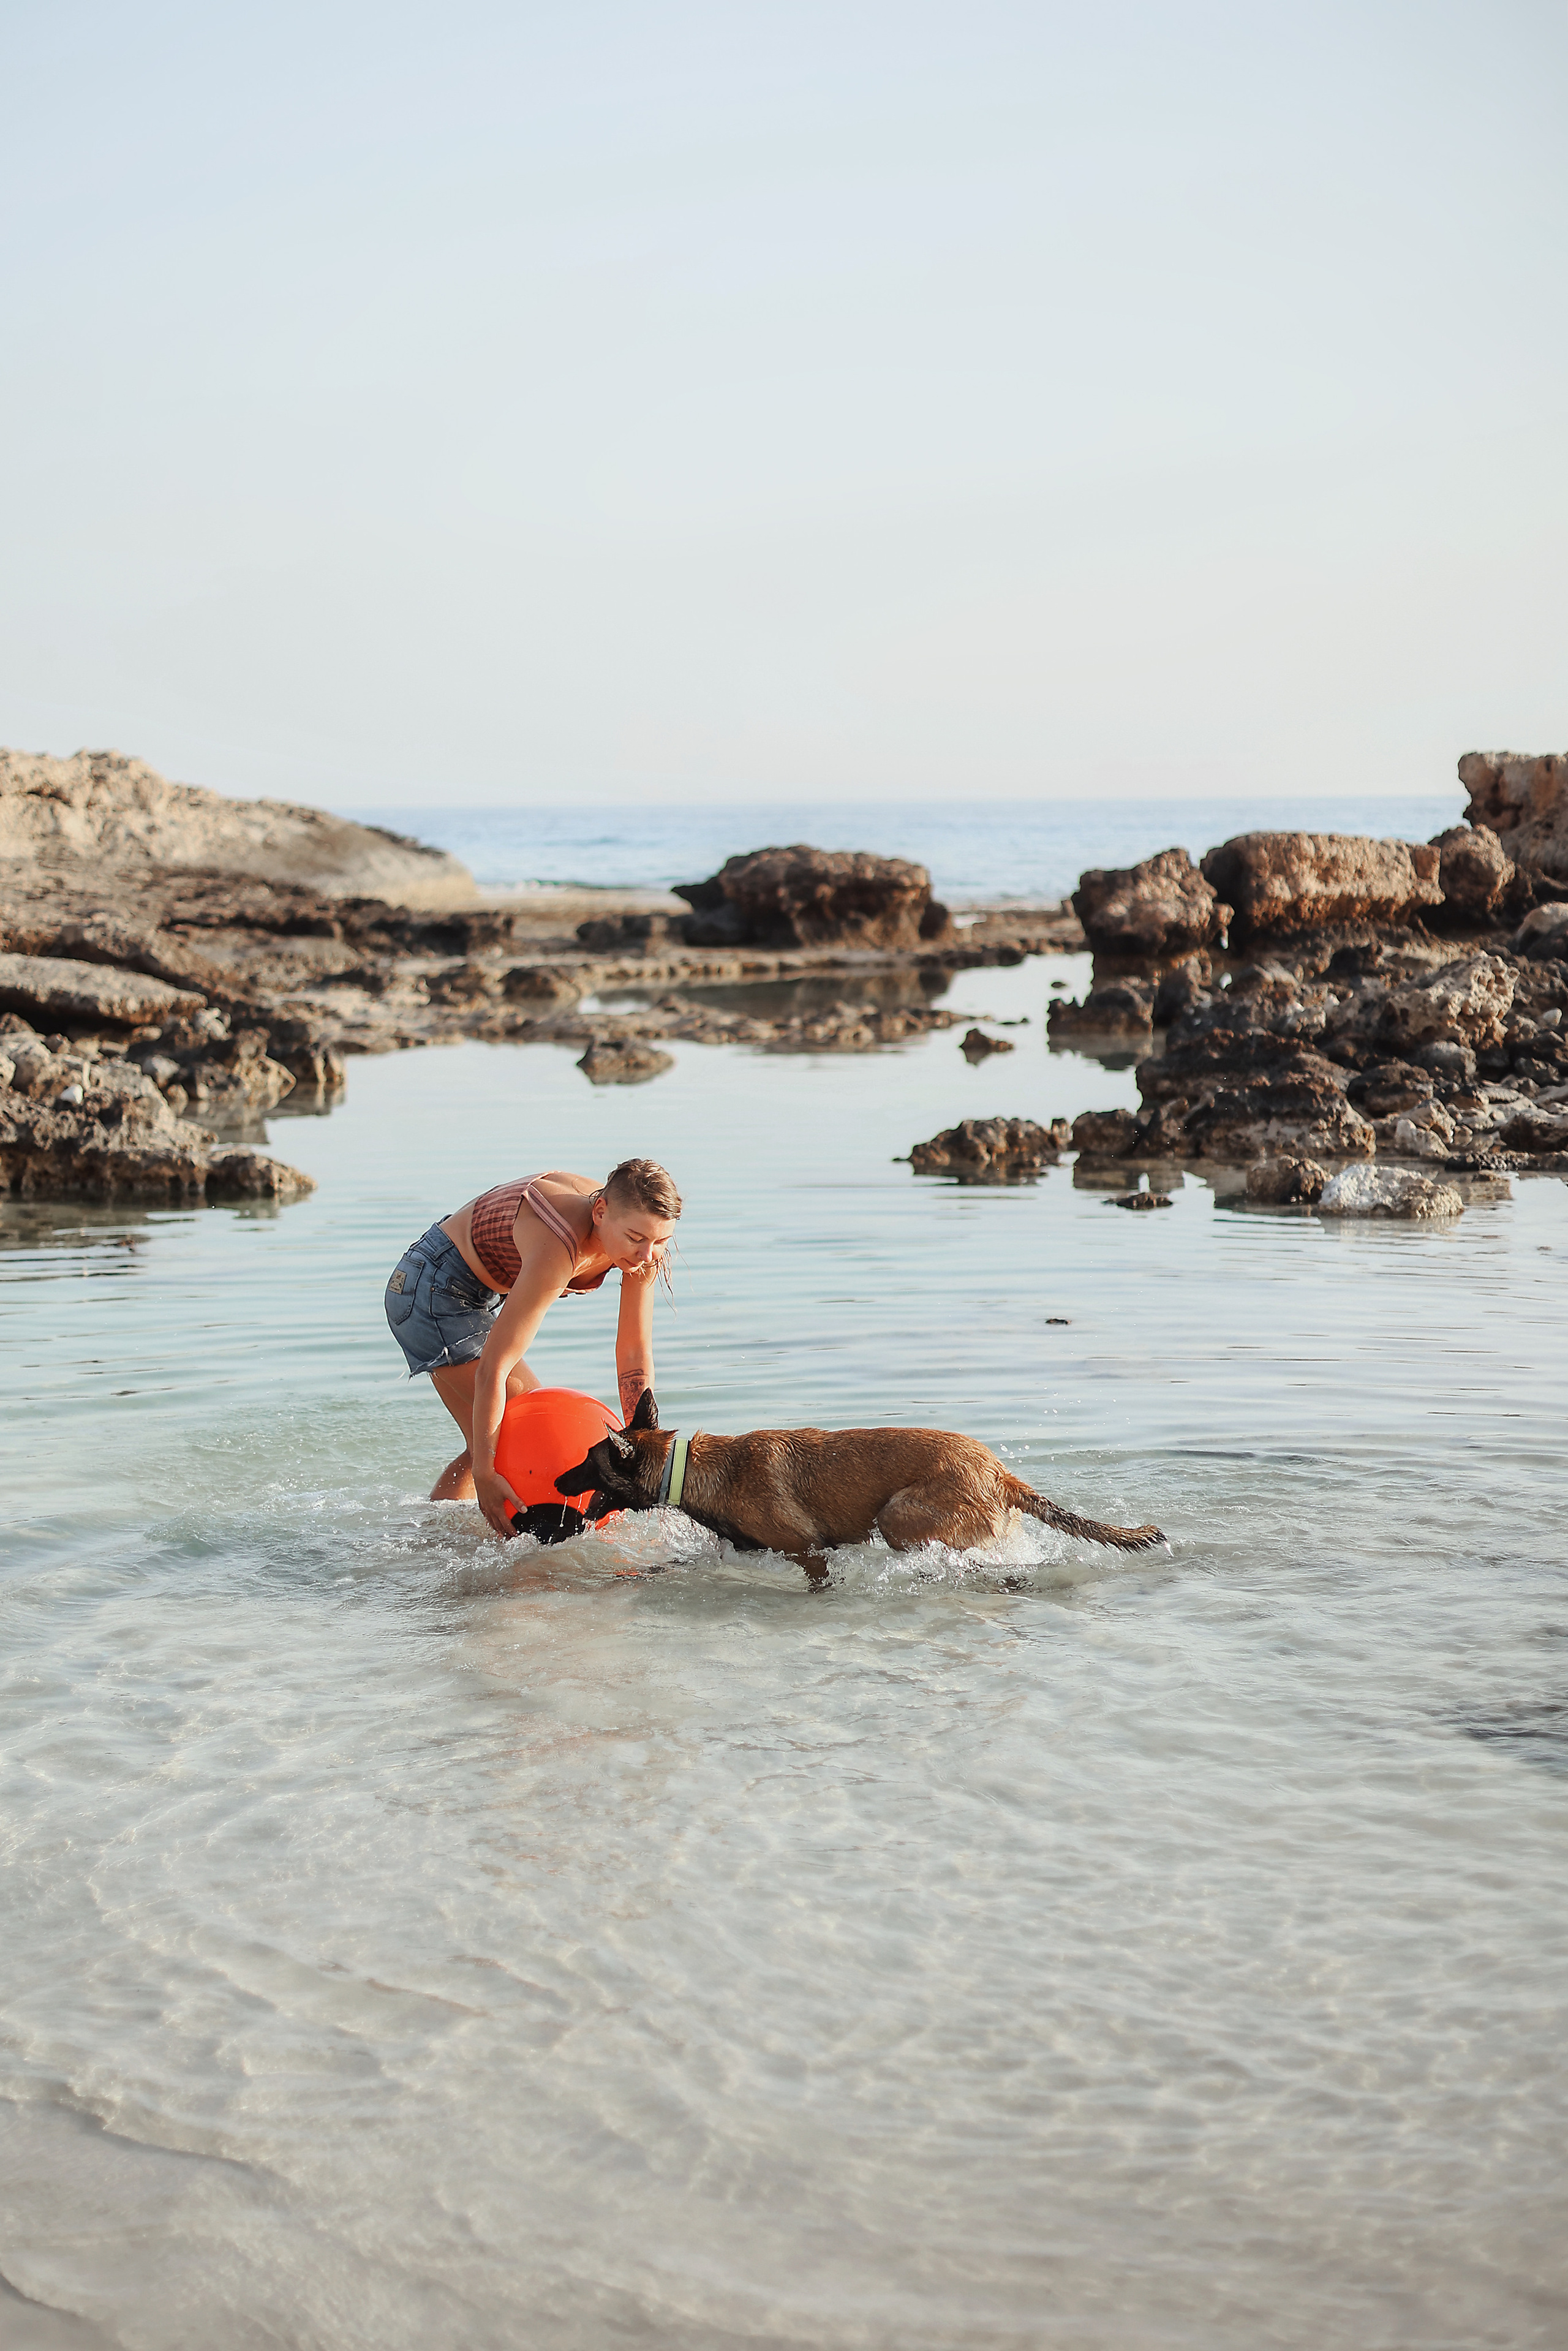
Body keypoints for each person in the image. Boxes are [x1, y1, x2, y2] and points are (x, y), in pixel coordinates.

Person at [385, 1158, 682, 1534]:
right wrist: (485, 1476)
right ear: (600, 1212)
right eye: (636, 1239)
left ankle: (436, 1534)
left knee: (493, 1440)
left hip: (472, 1289)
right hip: (430, 1288)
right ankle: (460, 1537)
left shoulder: (639, 1239)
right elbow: (494, 1369)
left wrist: (642, 1446)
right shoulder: (557, 1245)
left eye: (661, 1241)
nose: (647, 1254)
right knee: (524, 1427)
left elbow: (634, 1357)